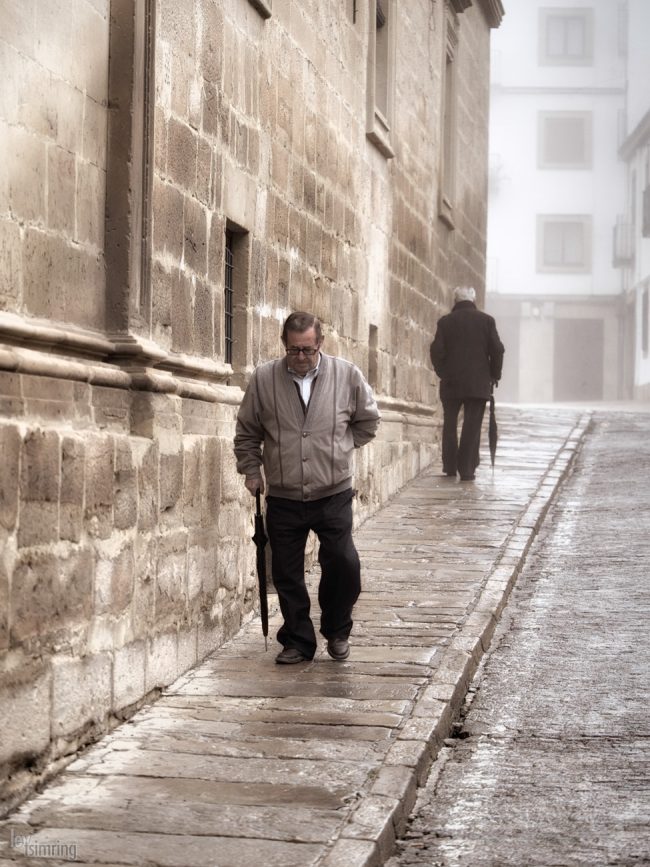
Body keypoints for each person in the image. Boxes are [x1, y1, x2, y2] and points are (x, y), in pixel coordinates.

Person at [234, 311, 380, 664]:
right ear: (284, 345)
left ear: (320, 344)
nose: (300, 358)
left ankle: (337, 628)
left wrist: (340, 449)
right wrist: (251, 469)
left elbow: (368, 421)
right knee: (285, 571)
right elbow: (247, 432)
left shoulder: (347, 375)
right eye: (293, 350)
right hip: (284, 493)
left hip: (333, 491)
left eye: (307, 351)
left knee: (344, 563)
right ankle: (298, 640)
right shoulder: (264, 379)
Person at [429, 286, 504, 481]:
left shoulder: (445, 322)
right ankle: (467, 467)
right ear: (474, 300)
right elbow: (497, 350)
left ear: (455, 301)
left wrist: (443, 372)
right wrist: (494, 375)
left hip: (451, 383)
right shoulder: (487, 321)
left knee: (450, 423)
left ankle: (450, 465)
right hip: (478, 384)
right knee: (472, 424)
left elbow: (436, 351)